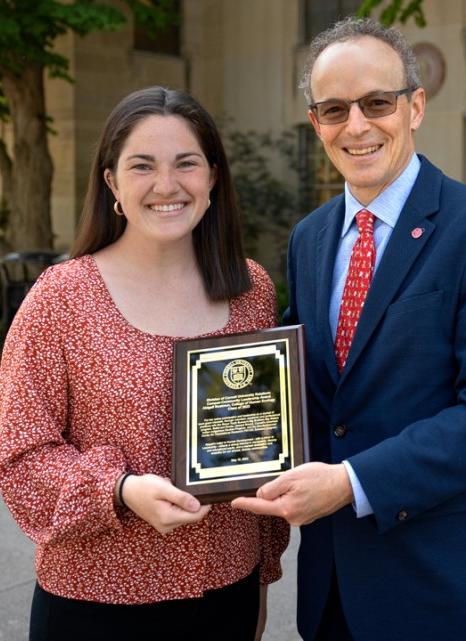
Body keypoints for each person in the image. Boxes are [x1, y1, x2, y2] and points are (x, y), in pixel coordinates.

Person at [233, 18, 466, 641]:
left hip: (447, 585)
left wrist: (352, 483)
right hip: (335, 590)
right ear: (315, 120)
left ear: (416, 106)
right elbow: (302, 387)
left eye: (377, 102)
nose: (356, 125)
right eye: (333, 109)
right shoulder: (310, 236)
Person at [0, 86, 289, 641]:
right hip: (97, 601)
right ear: (111, 182)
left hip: (226, 589)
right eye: (142, 166)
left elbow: (259, 442)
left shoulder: (250, 290)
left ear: (212, 177)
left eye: (186, 163)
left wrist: (260, 583)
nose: (166, 185)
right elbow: (20, 460)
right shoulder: (60, 298)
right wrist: (120, 490)